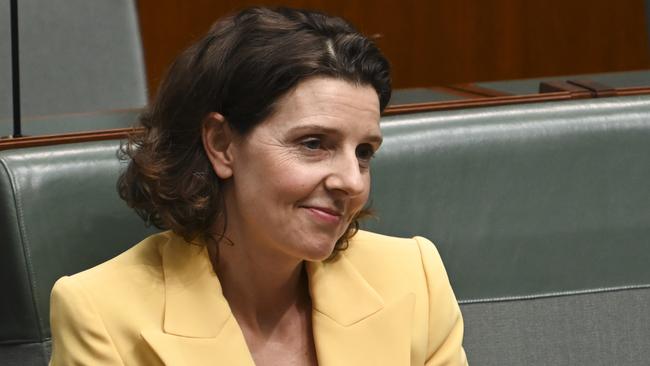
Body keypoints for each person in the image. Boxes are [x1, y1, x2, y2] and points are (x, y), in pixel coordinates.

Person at [49, 6, 467, 366]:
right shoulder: (99, 313)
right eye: (313, 144)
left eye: (364, 152)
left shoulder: (414, 278)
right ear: (221, 144)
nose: (352, 182)